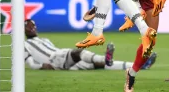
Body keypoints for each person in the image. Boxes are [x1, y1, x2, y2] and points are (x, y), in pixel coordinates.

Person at [24, 19, 157, 71]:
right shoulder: (24, 45)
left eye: (33, 26)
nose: (32, 29)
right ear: (24, 30)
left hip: (63, 59)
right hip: (54, 60)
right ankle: (106, 59)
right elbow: (30, 63)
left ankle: (140, 65)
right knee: (79, 52)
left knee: (99, 65)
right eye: (28, 27)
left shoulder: (45, 40)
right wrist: (42, 66)